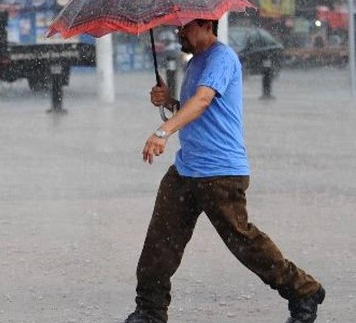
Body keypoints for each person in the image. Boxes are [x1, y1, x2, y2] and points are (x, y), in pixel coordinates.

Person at [123, 19, 325, 323]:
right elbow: (194, 109)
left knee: (244, 243)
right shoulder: (195, 63)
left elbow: (204, 101)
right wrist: (170, 101)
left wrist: (162, 132)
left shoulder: (222, 58)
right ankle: (150, 311)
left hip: (220, 173)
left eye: (186, 28)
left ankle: (303, 290)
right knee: (160, 242)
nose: (179, 33)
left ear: (206, 25)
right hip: (186, 170)